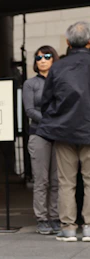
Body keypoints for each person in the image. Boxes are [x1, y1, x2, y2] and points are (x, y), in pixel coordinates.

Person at [37, 21, 90, 242]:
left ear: (67, 42)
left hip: (64, 130)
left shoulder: (58, 67)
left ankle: (68, 227)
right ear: (89, 42)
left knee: (66, 182)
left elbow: (45, 101)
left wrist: (56, 119)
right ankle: (89, 227)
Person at [23, 45, 60, 235]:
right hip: (39, 134)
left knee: (57, 180)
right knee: (41, 180)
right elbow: (29, 110)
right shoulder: (30, 84)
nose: (43, 60)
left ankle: (55, 216)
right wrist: (51, 121)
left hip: (59, 135)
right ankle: (42, 218)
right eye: (38, 58)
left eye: (47, 56)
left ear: (54, 59)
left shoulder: (60, 81)